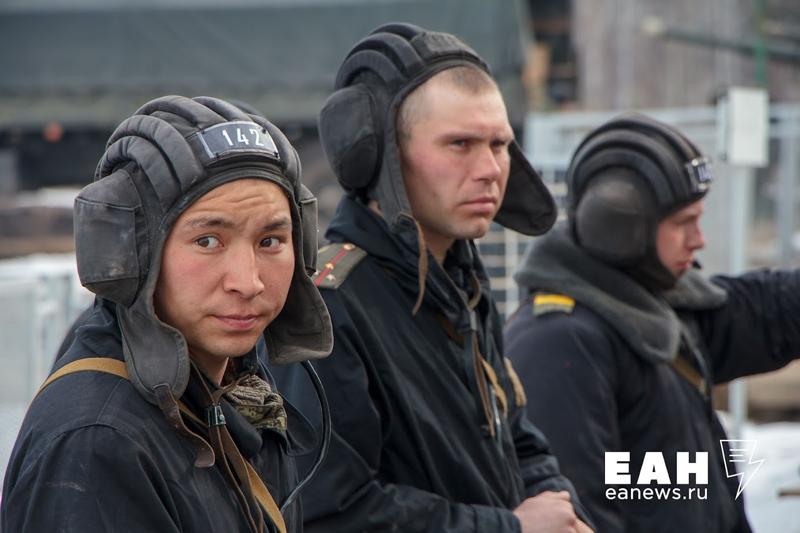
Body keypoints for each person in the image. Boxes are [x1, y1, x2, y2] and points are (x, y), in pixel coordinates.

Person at [272, 23, 593, 533]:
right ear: (382, 154)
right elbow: (331, 513)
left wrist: (563, 512)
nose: (491, 169)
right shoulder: (330, 309)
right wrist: (508, 529)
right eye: (460, 144)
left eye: (500, 144)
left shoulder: (462, 283)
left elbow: (516, 441)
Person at [2, 95, 333, 533]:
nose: (248, 281)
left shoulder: (232, 388)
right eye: (207, 241)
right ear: (134, 255)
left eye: (270, 241)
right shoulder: (99, 444)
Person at [504, 113, 800, 533]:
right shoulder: (559, 344)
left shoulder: (660, 306)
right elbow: (579, 512)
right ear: (620, 228)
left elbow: (767, 312)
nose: (699, 240)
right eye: (683, 223)